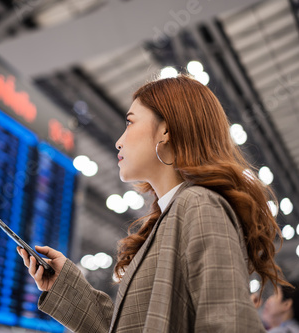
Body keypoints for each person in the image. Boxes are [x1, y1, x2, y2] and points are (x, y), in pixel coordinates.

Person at [18, 75, 290, 332]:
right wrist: (66, 285)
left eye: (130, 122)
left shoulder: (199, 205)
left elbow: (229, 326)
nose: (118, 141)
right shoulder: (173, 216)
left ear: (166, 131)